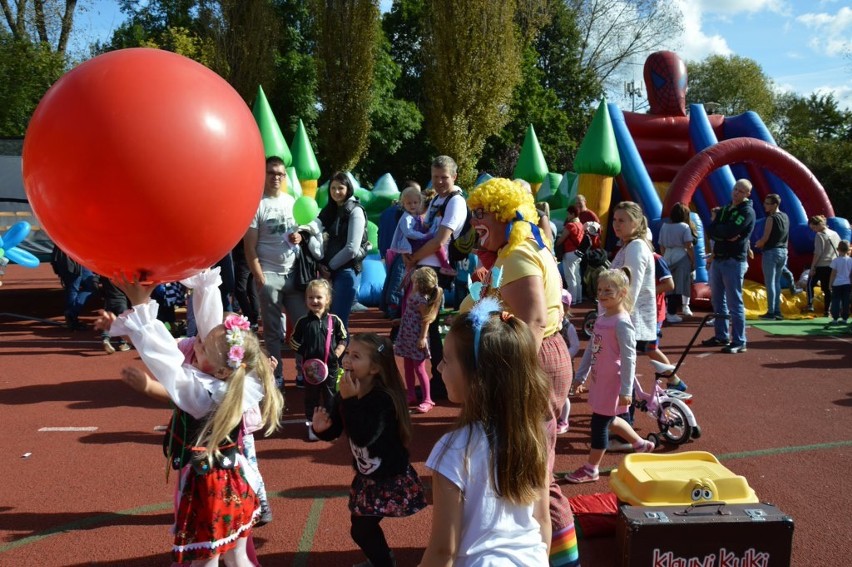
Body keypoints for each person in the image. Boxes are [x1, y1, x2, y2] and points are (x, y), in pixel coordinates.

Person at [102, 270, 284, 565]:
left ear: (221, 368)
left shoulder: (205, 394)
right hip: (237, 481)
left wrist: (142, 308)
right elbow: (208, 331)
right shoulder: (237, 379)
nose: (195, 344)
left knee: (205, 560)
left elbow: (170, 367)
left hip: (210, 489)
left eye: (201, 346)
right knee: (238, 558)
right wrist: (204, 285)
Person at [462, 177, 578, 567]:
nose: (475, 220)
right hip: (541, 356)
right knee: (534, 467)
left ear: (507, 215)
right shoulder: (521, 251)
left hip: (533, 361)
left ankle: (560, 558)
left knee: (538, 473)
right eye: (473, 212)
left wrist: (503, 376)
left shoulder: (519, 256)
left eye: (483, 213)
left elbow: (531, 322)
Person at [419, 300, 552, 566]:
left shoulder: (454, 448)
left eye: (446, 360)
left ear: (478, 378)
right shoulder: (533, 436)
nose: (439, 368)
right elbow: (542, 521)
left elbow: (443, 550)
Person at [311, 333, 427, 567]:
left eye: (356, 356)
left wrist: (351, 401)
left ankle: (384, 563)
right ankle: (382, 558)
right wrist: (322, 429)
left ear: (374, 368)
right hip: (369, 476)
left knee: (362, 530)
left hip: (388, 478)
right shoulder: (349, 390)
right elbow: (337, 429)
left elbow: (364, 435)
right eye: (347, 354)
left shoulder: (382, 399)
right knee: (361, 527)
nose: (347, 360)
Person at [565, 269, 655, 485]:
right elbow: (591, 350)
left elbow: (629, 358)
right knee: (609, 418)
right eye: (599, 290)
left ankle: (591, 468)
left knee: (599, 423)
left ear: (622, 293)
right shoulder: (602, 318)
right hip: (599, 379)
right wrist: (581, 376)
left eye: (608, 290)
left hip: (612, 382)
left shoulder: (622, 323)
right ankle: (640, 444)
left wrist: (626, 390)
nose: (602, 294)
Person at [245, 156, 318, 387]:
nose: (276, 177)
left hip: (294, 275)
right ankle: (275, 375)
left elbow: (300, 230)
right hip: (269, 276)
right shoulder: (257, 204)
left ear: (285, 177)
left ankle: (301, 373)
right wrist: (260, 277)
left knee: (301, 328)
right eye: (271, 173)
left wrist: (298, 236)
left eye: (280, 174)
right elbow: (249, 246)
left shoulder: (291, 201)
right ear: (264, 175)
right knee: (273, 332)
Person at [404, 156, 468, 400]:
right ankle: (437, 380)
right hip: (426, 270)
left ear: (454, 177)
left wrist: (414, 257)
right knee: (428, 329)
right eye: (435, 176)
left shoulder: (455, 202)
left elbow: (441, 240)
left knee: (435, 328)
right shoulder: (435, 200)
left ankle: (442, 384)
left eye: (444, 177)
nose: (439, 181)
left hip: (442, 274)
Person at [610, 202, 687, 390]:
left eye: (622, 220)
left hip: (636, 316)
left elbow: (632, 287)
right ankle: (673, 381)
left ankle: (625, 407)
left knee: (633, 356)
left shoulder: (636, 248)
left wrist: (620, 315)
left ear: (636, 223)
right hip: (634, 316)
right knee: (638, 354)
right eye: (614, 220)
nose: (616, 224)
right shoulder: (628, 246)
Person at [290, 278, 347, 441]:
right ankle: (311, 424)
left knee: (331, 395)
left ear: (327, 299)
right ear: (306, 299)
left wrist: (338, 352)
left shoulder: (334, 321)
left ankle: (331, 424)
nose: (314, 301)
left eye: (319, 297)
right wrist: (305, 352)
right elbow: (293, 341)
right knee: (311, 396)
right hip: (311, 369)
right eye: (311, 297)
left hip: (332, 366)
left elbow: (343, 338)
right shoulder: (303, 322)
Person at [703, 179, 756, 353]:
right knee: (718, 301)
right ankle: (721, 335)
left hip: (734, 260)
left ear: (748, 194)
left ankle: (740, 340)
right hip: (718, 258)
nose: (736, 193)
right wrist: (723, 234)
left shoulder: (747, 211)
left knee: (734, 302)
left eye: (741, 191)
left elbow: (730, 231)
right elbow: (712, 228)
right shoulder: (726, 208)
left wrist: (722, 232)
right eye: (735, 189)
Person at [317, 171, 369, 331]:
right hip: (330, 272)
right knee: (328, 320)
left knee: (338, 322)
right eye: (333, 188)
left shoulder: (355, 211)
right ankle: (330, 354)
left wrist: (329, 267)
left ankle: (338, 355)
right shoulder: (331, 210)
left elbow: (352, 248)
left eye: (340, 188)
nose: (336, 192)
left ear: (348, 189)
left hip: (346, 271)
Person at [394, 267, 443, 413]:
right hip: (408, 335)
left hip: (416, 337)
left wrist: (422, 338)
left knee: (420, 368)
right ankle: (411, 394)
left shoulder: (421, 299)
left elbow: (425, 320)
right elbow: (411, 314)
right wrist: (400, 321)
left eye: (414, 280)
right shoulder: (416, 295)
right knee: (408, 366)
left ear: (418, 283)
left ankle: (427, 399)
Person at [389, 186, 455, 278]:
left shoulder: (416, 216)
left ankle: (410, 271)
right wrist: (424, 236)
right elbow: (409, 233)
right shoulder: (406, 218)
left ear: (420, 203)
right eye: (409, 203)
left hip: (413, 243)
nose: (412, 205)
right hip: (411, 244)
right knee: (436, 242)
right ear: (403, 204)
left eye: (415, 203)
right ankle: (444, 265)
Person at [658, 202, 696, 322]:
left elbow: (661, 245)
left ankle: (667, 310)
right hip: (681, 256)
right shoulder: (685, 227)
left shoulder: (665, 226)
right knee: (678, 286)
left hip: (668, 255)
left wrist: (664, 258)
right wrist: (692, 260)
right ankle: (672, 312)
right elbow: (689, 245)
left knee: (668, 284)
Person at [754, 194, 789, 320]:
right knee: (776, 282)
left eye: (767, 203)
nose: (765, 205)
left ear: (774, 205)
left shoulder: (771, 218)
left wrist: (758, 243)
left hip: (771, 252)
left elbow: (766, 237)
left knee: (770, 283)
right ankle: (777, 311)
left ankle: (771, 311)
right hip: (783, 251)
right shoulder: (785, 216)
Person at [50, 244, 97, 330]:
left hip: (76, 255)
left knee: (89, 286)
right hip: (70, 256)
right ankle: (72, 317)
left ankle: (72, 314)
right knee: (73, 288)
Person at [804, 215, 841, 316]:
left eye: (814, 228)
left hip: (821, 264)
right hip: (833, 264)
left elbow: (818, 253)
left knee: (810, 284)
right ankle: (827, 310)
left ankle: (810, 304)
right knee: (827, 288)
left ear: (819, 225)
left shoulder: (819, 235)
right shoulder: (835, 234)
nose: (814, 230)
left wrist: (812, 267)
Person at [557, 290, 580, 435]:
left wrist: (565, 355)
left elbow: (576, 345)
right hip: (552, 364)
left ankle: (564, 420)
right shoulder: (550, 323)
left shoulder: (568, 327)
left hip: (564, 365)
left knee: (563, 395)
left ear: (566, 309)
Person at [555, 206, 585, 304]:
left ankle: (572, 300)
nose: (567, 216)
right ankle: (578, 298)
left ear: (572, 214)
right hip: (577, 253)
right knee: (577, 276)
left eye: (568, 214)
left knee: (570, 277)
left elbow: (561, 240)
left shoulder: (570, 226)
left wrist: (556, 243)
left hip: (569, 253)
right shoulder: (580, 224)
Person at [99, 277, 131, 353]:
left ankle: (105, 338)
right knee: (122, 322)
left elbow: (96, 283)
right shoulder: (122, 275)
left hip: (109, 301)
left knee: (108, 321)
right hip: (121, 301)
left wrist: (102, 294)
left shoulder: (104, 274)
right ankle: (122, 343)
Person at [828, 240, 851, 325]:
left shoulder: (835, 261)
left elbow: (833, 274)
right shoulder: (850, 260)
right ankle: (845, 318)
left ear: (838, 250)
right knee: (846, 301)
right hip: (847, 283)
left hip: (837, 284)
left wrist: (830, 284)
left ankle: (835, 318)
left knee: (835, 301)